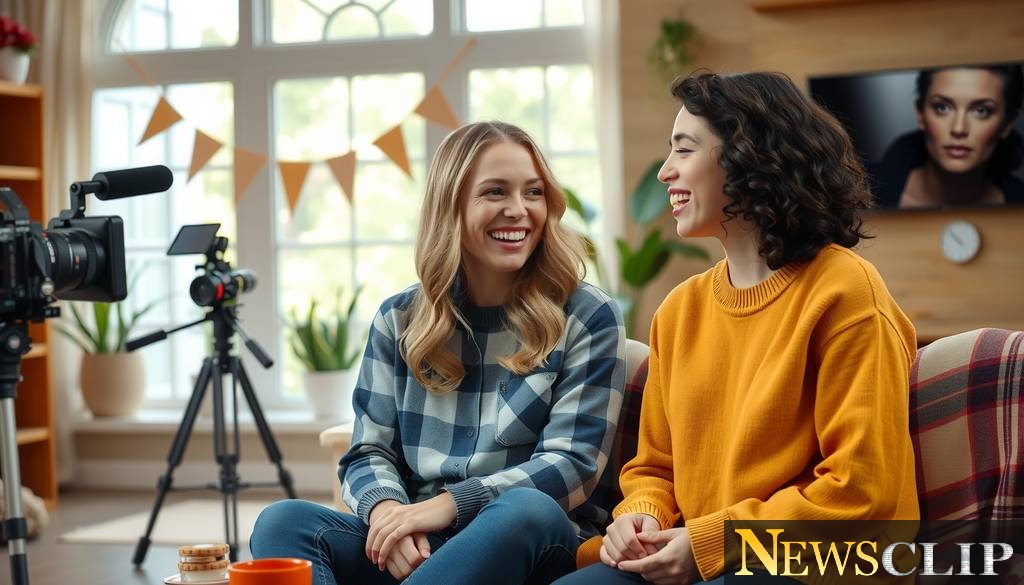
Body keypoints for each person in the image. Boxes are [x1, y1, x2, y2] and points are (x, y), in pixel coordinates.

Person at [554, 71, 920, 585]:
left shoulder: (846, 292)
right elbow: (655, 468)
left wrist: (712, 543)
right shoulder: (679, 311)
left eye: (684, 150)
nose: (665, 172)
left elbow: (861, 489)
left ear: (751, 157)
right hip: (701, 557)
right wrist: (642, 514)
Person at [249, 121, 626, 585]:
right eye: (495, 192)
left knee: (525, 509)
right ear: (451, 205)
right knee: (283, 522)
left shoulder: (587, 315)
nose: (519, 210)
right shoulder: (398, 319)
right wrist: (389, 514)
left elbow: (572, 465)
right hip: (421, 547)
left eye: (533, 192)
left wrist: (446, 507)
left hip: (528, 542)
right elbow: (367, 452)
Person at [872, 63, 1024, 208]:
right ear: (920, 113)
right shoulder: (862, 190)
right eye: (942, 107)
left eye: (981, 111)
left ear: (1007, 123)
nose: (958, 128)